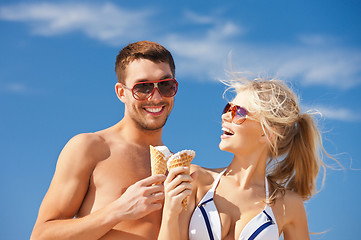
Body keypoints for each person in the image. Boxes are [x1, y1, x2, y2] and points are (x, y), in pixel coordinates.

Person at [31, 40, 179, 240]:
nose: (155, 97)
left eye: (165, 85)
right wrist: (118, 210)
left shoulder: (178, 169)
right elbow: (41, 236)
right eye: (143, 88)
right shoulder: (91, 148)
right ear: (121, 93)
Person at [159, 75, 329, 240]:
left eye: (237, 112)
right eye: (227, 109)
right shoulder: (195, 179)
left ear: (267, 133)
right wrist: (169, 212)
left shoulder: (289, 205)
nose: (225, 116)